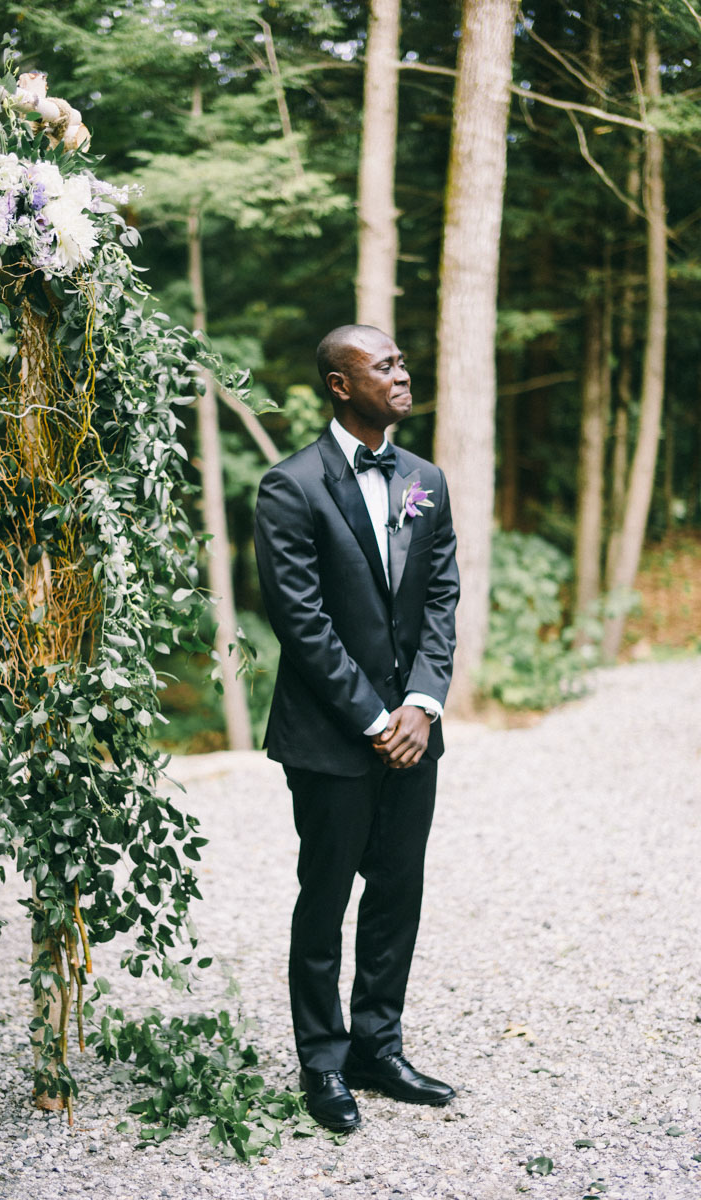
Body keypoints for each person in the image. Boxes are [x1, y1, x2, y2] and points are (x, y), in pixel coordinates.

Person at [254, 324, 460, 1132]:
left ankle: (380, 1047)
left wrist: (424, 703)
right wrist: (376, 718)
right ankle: (323, 1062)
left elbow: (441, 597)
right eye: (385, 366)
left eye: (403, 362)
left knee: (397, 891)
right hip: (332, 736)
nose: (403, 375)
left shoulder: (426, 479)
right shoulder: (290, 485)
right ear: (341, 385)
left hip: (417, 729)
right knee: (326, 894)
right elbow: (301, 624)